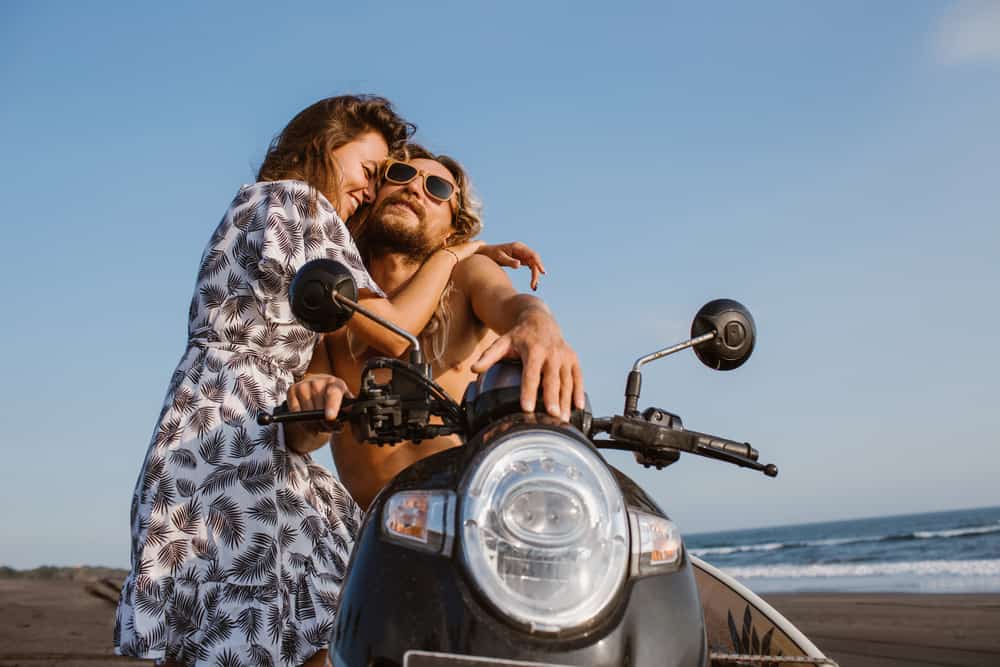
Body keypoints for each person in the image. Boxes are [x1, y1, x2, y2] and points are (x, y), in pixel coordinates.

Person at [114, 96, 542, 667]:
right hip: (234, 435)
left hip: (227, 429)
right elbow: (385, 333)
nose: (380, 188)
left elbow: (513, 307)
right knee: (299, 616)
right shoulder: (299, 202)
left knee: (262, 620)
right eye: (377, 172)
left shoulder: (281, 219)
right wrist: (455, 253)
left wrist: (531, 318)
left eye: (437, 189)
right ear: (323, 147)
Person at [286, 144, 584, 509]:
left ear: (451, 231)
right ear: (373, 195)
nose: (414, 188)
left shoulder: (466, 275)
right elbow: (301, 439)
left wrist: (538, 323)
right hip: (374, 539)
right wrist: (315, 398)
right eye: (401, 175)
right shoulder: (339, 300)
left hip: (472, 523)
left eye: (437, 190)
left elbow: (512, 304)